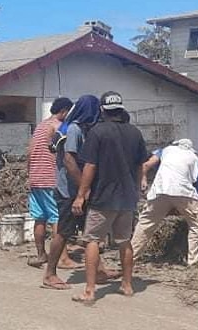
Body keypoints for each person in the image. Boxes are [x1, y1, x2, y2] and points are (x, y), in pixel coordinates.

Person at [72, 91, 148, 304]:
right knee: (124, 241)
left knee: (92, 240)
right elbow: (141, 163)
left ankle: (89, 290)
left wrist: (80, 195)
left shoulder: (98, 132)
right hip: (127, 198)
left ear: (102, 110)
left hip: (103, 197)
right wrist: (140, 184)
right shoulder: (135, 133)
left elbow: (90, 166)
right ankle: (127, 284)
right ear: (121, 109)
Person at [42, 95, 102, 290]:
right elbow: (69, 161)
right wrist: (83, 190)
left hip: (77, 190)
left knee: (91, 232)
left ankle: (99, 270)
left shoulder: (80, 129)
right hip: (69, 190)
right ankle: (50, 274)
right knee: (64, 232)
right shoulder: (74, 129)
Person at [131, 139, 198, 266]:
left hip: (160, 190)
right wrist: (192, 203)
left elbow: (145, 165)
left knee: (145, 224)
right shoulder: (194, 157)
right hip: (184, 191)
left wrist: (143, 180)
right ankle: (193, 261)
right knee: (196, 224)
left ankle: (130, 257)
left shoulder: (165, 150)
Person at [26, 97, 76, 268]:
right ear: (64, 111)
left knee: (40, 218)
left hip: (35, 179)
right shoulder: (59, 128)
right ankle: (62, 258)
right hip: (51, 179)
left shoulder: (40, 127)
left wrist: (30, 175)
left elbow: (30, 152)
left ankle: (41, 255)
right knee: (57, 219)